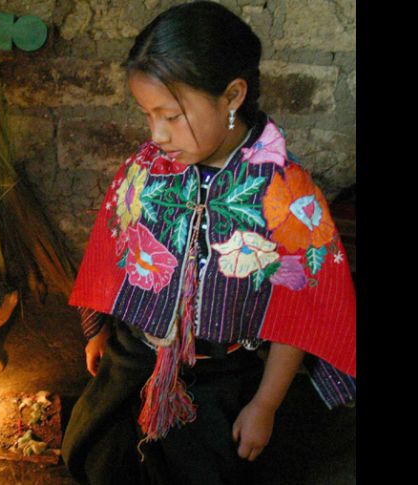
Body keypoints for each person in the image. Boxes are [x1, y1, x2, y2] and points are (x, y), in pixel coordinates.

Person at [61, 2, 356, 485]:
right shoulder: (146, 168)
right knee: (100, 458)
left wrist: (264, 404)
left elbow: (302, 311)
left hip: (219, 380)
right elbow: (109, 251)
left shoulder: (287, 193)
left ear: (232, 95)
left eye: (172, 115)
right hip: (132, 359)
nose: (157, 134)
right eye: (148, 115)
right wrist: (98, 330)